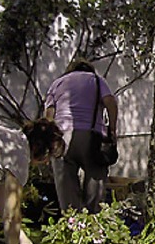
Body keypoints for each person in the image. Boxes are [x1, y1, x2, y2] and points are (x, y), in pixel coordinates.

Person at [45, 58, 119, 213]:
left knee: (66, 189)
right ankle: (92, 223)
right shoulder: (97, 81)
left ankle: (73, 224)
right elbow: (110, 102)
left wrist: (50, 139)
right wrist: (112, 129)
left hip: (61, 138)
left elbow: (49, 114)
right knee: (95, 182)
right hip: (91, 137)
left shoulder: (57, 83)